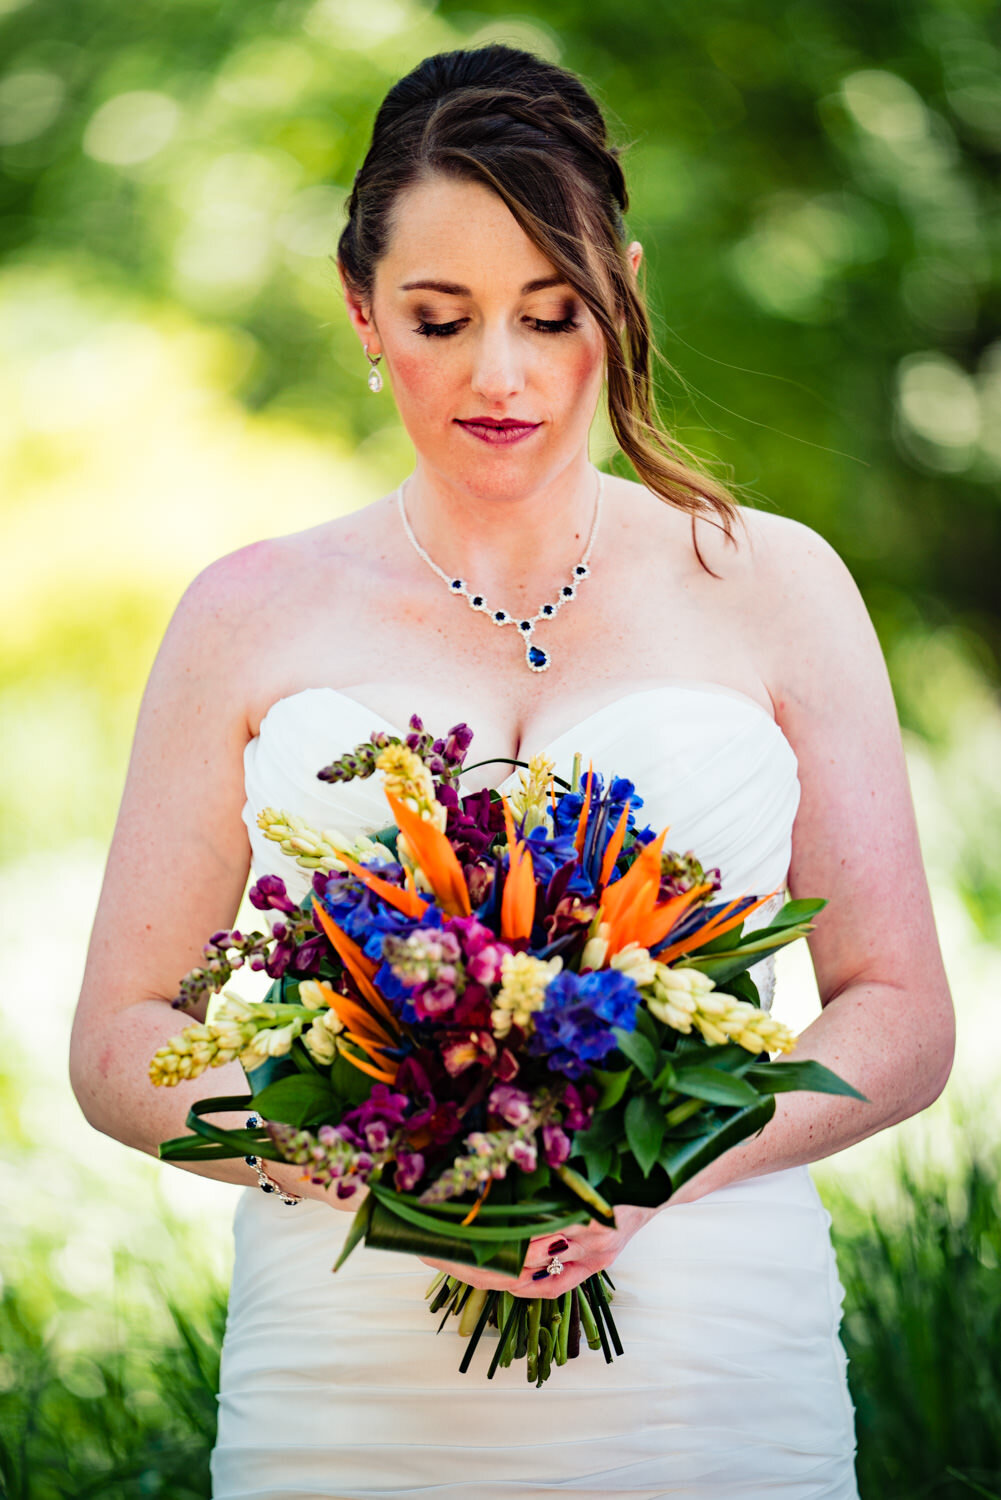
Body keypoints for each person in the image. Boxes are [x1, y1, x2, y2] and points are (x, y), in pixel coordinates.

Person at [70, 42, 955, 1500]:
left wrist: (653, 1161)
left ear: (619, 294)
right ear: (360, 308)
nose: (501, 375)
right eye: (439, 317)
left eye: (551, 315)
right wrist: (365, 1155)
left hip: (709, 1369)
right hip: (344, 1384)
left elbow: (901, 1013)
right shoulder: (245, 612)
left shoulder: (775, 584)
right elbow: (117, 1039)